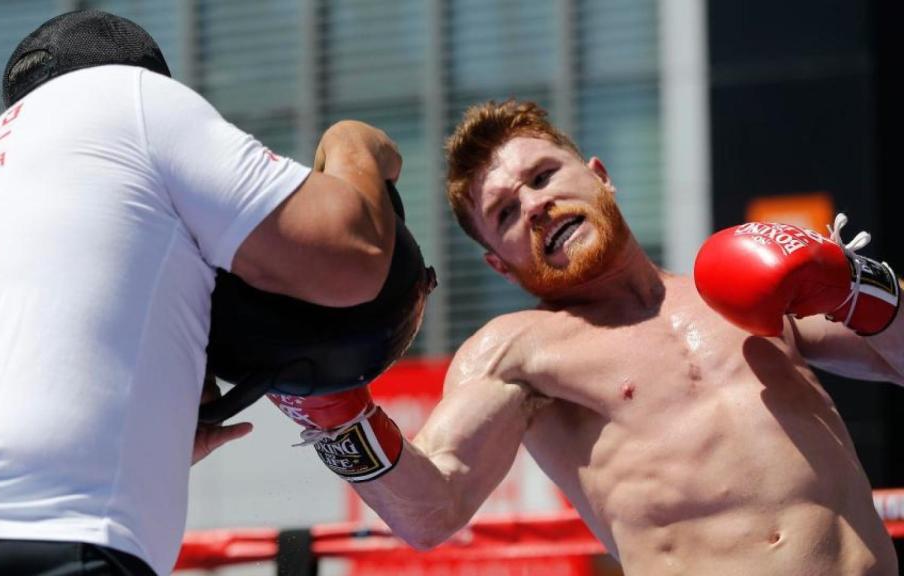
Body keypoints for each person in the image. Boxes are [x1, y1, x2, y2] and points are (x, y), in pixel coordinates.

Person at [268, 100, 903, 574]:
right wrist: (334, 416)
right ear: (500, 263)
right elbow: (430, 512)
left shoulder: (741, 293)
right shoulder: (518, 351)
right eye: (506, 214)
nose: (535, 205)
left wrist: (860, 285)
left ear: (599, 176)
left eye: (542, 177)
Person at [0, 9, 406, 575]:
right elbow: (353, 255)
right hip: (53, 537)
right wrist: (355, 142)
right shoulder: (129, 99)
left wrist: (157, 429)